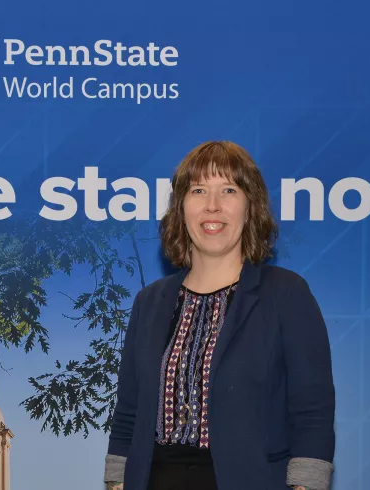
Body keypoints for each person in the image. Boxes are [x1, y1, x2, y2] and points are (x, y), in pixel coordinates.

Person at [103, 141, 335, 490]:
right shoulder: (148, 302)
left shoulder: (286, 294)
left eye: (228, 190)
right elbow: (128, 412)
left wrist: (306, 484)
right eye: (198, 190)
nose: (212, 206)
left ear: (250, 206)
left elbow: (311, 410)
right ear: (181, 208)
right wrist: (117, 481)